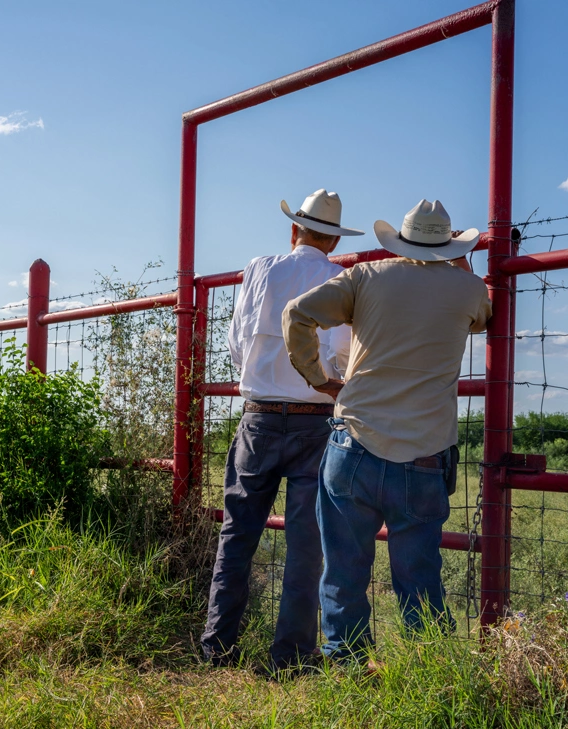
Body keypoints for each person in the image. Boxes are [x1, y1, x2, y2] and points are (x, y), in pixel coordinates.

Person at [282, 199, 491, 662]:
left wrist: (319, 379)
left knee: (343, 569)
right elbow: (483, 317)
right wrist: (459, 265)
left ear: (400, 238)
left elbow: (298, 313)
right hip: (424, 454)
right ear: (450, 243)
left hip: (353, 442)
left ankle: (348, 666)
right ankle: (428, 672)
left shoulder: (365, 278)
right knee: (419, 574)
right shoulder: (469, 289)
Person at [201, 189, 363, 672]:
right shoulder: (340, 279)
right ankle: (290, 654)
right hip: (315, 420)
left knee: (238, 532)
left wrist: (259, 376)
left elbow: (236, 338)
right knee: (306, 543)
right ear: (333, 240)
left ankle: (218, 645)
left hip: (258, 415)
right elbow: (339, 353)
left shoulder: (258, 269)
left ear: (294, 230)